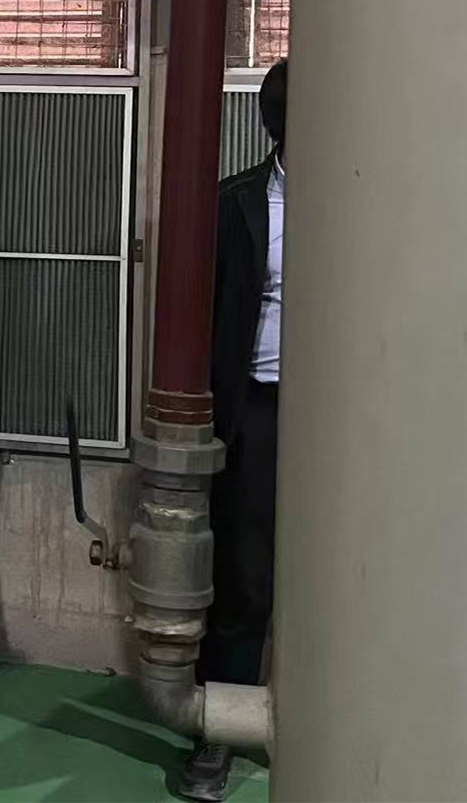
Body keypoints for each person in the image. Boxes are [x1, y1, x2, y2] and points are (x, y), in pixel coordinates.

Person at [180, 59, 288, 803]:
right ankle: (220, 731)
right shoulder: (236, 203)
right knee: (245, 578)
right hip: (259, 409)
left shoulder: (379, 200)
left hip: (355, 419)